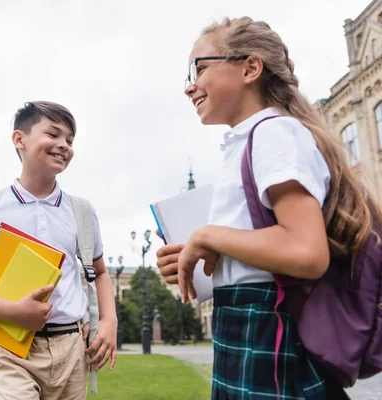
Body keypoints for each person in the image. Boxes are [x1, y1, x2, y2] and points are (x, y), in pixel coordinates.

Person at [155, 16, 380, 399]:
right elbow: (257, 259)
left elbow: (306, 253)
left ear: (250, 67)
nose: (189, 86)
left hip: (266, 328)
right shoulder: (251, 141)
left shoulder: (274, 132)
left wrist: (210, 235)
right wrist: (196, 259)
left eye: (200, 68)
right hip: (246, 324)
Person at [0, 101, 117, 400]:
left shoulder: (81, 212)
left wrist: (109, 322)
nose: (64, 145)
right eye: (54, 134)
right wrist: (15, 312)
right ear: (19, 139)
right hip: (7, 346)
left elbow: (99, 272)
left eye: (70, 140)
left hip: (72, 348)